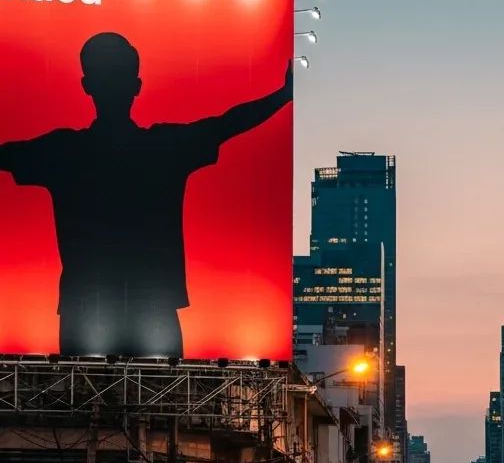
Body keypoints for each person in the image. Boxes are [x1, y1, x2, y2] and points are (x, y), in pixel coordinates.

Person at [0, 34, 293, 356]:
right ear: (136, 85)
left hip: (86, 305)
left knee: (82, 400)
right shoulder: (162, 147)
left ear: (87, 85)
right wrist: (283, 95)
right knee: (160, 400)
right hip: (153, 305)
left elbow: (7, 156)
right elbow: (226, 124)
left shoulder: (64, 150)